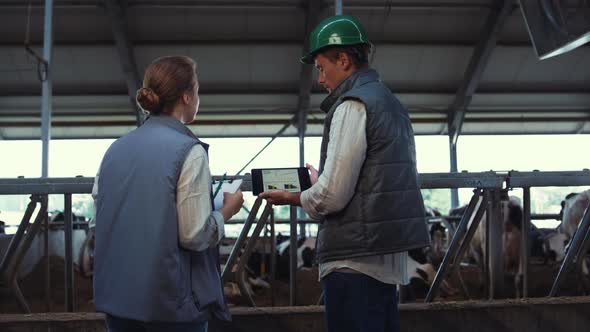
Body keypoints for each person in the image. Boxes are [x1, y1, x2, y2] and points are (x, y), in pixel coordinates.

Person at [259, 15, 430, 332]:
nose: (320, 79)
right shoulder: (391, 104)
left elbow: (332, 196)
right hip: (383, 258)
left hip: (354, 260)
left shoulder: (352, 105)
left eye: (323, 67)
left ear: (344, 59)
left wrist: (294, 197)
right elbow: (376, 176)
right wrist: (319, 181)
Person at [93, 56, 243, 332]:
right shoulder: (189, 151)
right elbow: (194, 235)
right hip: (169, 307)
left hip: (118, 303)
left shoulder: (115, 150)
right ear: (187, 96)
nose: (198, 98)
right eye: (197, 90)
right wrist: (226, 211)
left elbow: (99, 219)